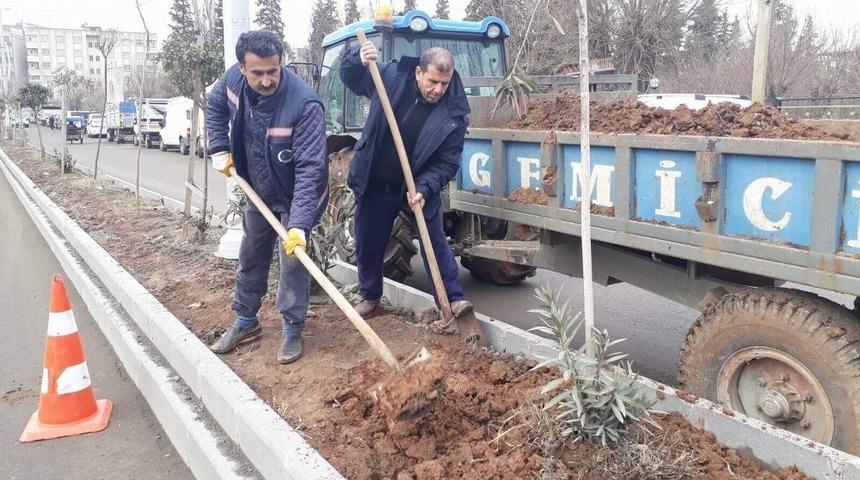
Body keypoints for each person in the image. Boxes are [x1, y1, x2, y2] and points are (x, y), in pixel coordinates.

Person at [205, 30, 328, 363]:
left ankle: (291, 328)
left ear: (280, 63)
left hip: (294, 196)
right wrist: (218, 147)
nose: (266, 80)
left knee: (293, 263)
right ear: (242, 67)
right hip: (257, 189)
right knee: (251, 253)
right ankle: (246, 320)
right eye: (257, 72)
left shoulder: (304, 104)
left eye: (273, 71)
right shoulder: (231, 82)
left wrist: (299, 224)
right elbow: (214, 105)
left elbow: (309, 170)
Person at [339, 41, 473, 329]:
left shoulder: (455, 113)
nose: (438, 89)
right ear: (418, 73)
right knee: (368, 242)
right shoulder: (388, 76)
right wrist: (356, 58)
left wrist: (424, 187)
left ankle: (452, 302)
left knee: (435, 243)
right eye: (433, 81)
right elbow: (350, 77)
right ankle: (370, 295)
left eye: (444, 83)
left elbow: (448, 163)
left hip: (417, 185)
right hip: (377, 180)